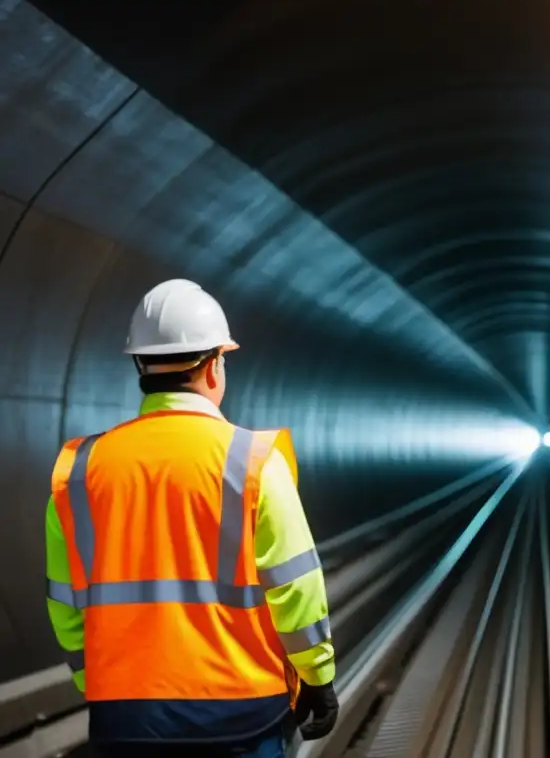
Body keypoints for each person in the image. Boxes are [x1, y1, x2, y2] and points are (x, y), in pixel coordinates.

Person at [44, 279, 340, 757]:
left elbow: (65, 603)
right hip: (242, 715)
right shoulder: (254, 461)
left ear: (140, 364)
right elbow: (295, 590)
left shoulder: (78, 471)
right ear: (214, 366)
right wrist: (318, 678)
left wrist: (97, 682)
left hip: (125, 720)